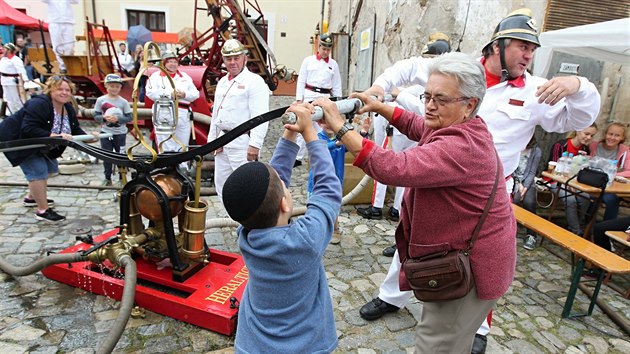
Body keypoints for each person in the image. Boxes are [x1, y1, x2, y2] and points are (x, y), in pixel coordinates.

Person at [357, 8, 600, 353]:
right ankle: (391, 297)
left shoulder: (535, 89)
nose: (529, 54)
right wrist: (381, 91)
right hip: (437, 179)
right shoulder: (459, 71)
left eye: (533, 48)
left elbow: (578, 117)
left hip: (487, 194)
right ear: (496, 46)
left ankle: (475, 330)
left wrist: (578, 85)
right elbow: (410, 72)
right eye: (521, 45)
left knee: (473, 265)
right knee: (416, 246)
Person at [316, 52, 516, 353]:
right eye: (427, 96)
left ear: (469, 105)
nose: (430, 105)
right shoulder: (464, 125)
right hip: (468, 255)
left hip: (471, 268)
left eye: (441, 99)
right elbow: (421, 127)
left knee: (437, 343)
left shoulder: (461, 146)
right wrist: (381, 107)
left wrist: (342, 128)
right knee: (449, 341)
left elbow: (393, 168)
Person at [222, 102, 341, 353]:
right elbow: (328, 190)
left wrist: (291, 131)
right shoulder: (306, 241)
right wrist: (310, 133)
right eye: (284, 187)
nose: (284, 182)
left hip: (254, 345)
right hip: (308, 347)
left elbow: (272, 184)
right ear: (285, 204)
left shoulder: (247, 234)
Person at [357, 33, 450, 228]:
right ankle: (396, 210)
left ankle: (381, 207)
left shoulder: (427, 85)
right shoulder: (419, 76)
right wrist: (380, 86)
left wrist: (398, 95)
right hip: (409, 128)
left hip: (406, 130)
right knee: (404, 171)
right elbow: (405, 69)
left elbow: (420, 108)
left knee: (390, 166)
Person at [0, 76, 96, 222]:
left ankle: (32, 197)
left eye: (67, 90)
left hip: (42, 144)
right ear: (50, 90)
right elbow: (28, 128)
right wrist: (54, 136)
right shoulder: (39, 104)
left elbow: (74, 129)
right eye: (60, 89)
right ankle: (42, 210)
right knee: (38, 172)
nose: (64, 93)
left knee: (52, 169)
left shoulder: (67, 107)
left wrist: (90, 137)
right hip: (20, 141)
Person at [207, 39, 270, 201]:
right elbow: (216, 114)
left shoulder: (254, 82)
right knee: (221, 185)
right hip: (222, 140)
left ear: (244, 58)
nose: (232, 62)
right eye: (228, 58)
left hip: (242, 142)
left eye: (236, 58)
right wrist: (212, 142)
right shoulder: (222, 82)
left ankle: (248, 223)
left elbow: (260, 116)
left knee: (246, 185)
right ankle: (230, 219)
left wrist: (255, 145)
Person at [293, 33, 342, 167]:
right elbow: (301, 80)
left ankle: (319, 155)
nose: (325, 52)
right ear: (318, 47)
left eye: (328, 49)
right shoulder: (308, 61)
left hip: (324, 97)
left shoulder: (333, 64)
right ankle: (297, 157)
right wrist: (299, 99)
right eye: (323, 48)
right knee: (304, 124)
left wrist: (337, 104)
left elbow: (337, 85)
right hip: (309, 95)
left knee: (322, 128)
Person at [547, 124, 598, 235]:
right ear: (577, 131)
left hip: (575, 183)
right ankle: (577, 232)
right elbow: (554, 170)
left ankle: (575, 225)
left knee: (585, 198)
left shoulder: (585, 150)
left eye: (592, 136)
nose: (589, 138)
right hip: (555, 180)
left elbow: (582, 171)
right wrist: (569, 184)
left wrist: (574, 185)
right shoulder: (560, 145)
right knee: (570, 199)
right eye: (586, 134)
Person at [146, 50, 200, 153]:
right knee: (165, 143)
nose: (173, 64)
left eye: (175, 61)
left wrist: (185, 94)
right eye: (169, 61)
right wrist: (169, 94)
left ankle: (182, 167)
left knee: (183, 144)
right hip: (163, 112)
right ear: (164, 63)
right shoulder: (155, 77)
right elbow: (150, 93)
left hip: (183, 113)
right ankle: (167, 166)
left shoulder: (185, 77)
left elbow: (195, 94)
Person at [307, 116, 348, 244]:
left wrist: (363, 132)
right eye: (326, 123)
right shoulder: (317, 137)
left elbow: (357, 146)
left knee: (334, 207)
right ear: (320, 123)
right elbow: (321, 148)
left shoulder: (341, 140)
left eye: (332, 123)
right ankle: (314, 230)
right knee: (314, 205)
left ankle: (335, 229)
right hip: (317, 181)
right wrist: (336, 144)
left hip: (335, 181)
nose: (329, 126)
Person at [93, 74, 132, 186]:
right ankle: (107, 177)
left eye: (117, 86)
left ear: (120, 88)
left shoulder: (123, 102)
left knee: (120, 155)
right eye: (111, 86)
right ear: (106, 86)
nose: (114, 88)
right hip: (106, 133)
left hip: (120, 133)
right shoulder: (100, 100)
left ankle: (122, 177)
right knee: (106, 155)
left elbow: (129, 117)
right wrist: (104, 118)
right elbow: (96, 116)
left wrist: (118, 119)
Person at [588, 122, 630, 221]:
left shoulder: (625, 151)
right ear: (605, 134)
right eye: (610, 134)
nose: (612, 138)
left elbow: (629, 171)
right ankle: (586, 224)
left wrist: (611, 174)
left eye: (617, 135)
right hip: (589, 183)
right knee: (588, 198)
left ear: (622, 138)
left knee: (612, 199)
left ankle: (605, 229)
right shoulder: (593, 146)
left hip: (607, 187)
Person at [514, 136, 542, 250]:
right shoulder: (513, 146)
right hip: (513, 179)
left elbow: (532, 172)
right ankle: (509, 230)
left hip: (528, 182)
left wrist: (525, 186)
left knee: (529, 201)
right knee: (514, 200)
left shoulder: (536, 151)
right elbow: (509, 167)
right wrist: (518, 182)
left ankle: (531, 235)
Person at [42, 0, 79, 73]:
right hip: (54, 22)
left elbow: (76, 1)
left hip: (68, 22)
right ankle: (62, 67)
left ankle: (67, 65)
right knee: (57, 46)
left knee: (69, 46)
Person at [0, 43, 30, 115]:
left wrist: (25, 80)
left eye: (5, 49)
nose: (3, 50)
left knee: (15, 98)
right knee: (7, 98)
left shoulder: (16, 59)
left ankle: (20, 112)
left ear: (9, 50)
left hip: (12, 81)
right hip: (4, 80)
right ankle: (11, 113)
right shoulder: (3, 59)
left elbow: (21, 70)